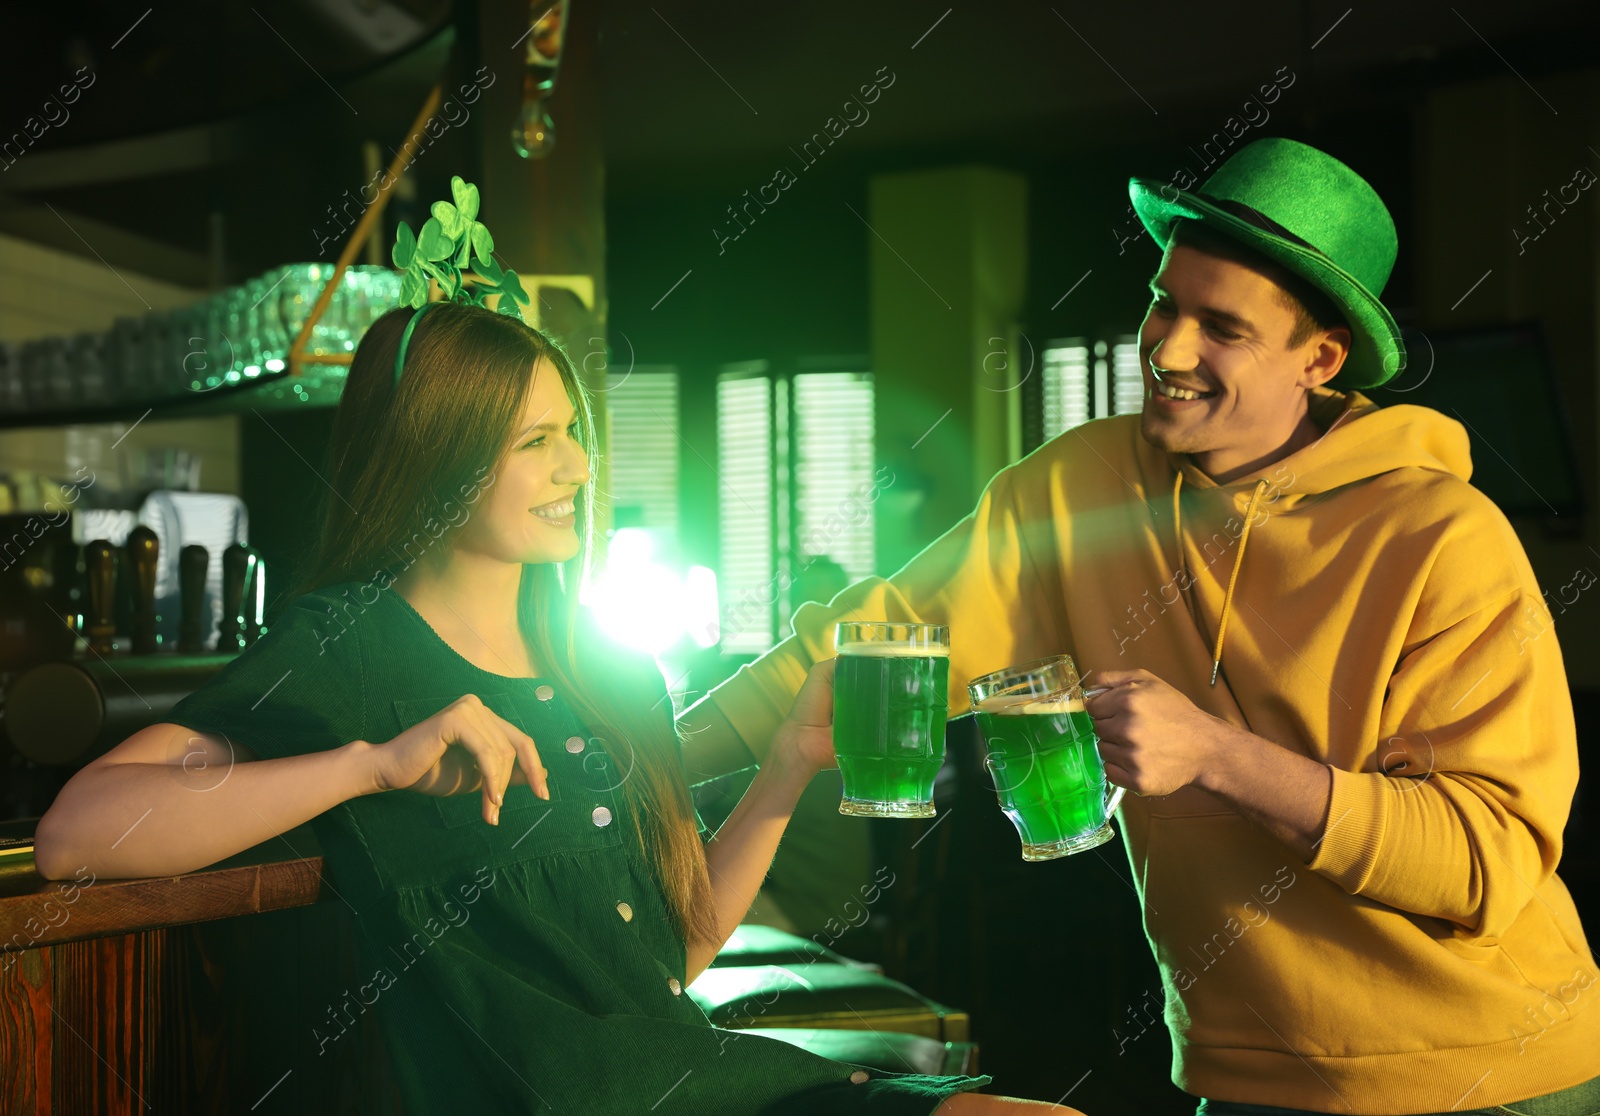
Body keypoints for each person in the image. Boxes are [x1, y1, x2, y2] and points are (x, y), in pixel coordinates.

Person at [676, 137, 1600, 1114]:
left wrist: (1213, 754)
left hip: (1486, 1072)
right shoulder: (1078, 486)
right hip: (1244, 1076)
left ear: (1319, 360)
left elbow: (1486, 859)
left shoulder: (1440, 536)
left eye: (1223, 327)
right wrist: (616, 760)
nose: (1165, 348)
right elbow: (864, 650)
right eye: (1165, 301)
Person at [33, 254, 1080, 1112]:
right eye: (537, 442)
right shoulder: (347, 648)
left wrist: (786, 766)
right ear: (435, 461)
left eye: (574, 431)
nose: (579, 469)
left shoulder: (612, 668)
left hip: (680, 1080)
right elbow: (77, 834)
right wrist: (368, 766)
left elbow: (672, 954)